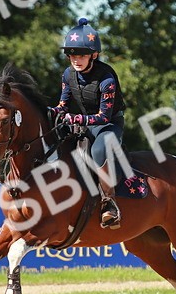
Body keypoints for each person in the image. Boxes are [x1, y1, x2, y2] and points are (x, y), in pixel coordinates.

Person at [52, 16, 127, 228]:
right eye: (72, 54)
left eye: (82, 54)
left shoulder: (107, 78)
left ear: (93, 55)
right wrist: (49, 112)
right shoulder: (68, 75)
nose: (76, 59)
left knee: (99, 150)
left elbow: (103, 117)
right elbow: (63, 106)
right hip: (85, 123)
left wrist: (77, 118)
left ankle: (109, 203)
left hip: (110, 125)